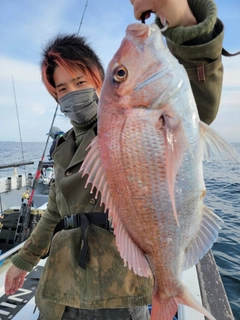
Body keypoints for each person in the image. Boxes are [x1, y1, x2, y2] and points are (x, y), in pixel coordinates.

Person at [4, 0, 227, 319]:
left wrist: (182, 19)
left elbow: (198, 105)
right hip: (57, 295)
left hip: (116, 295)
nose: (71, 93)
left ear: (99, 79)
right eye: (62, 88)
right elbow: (54, 212)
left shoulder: (118, 127)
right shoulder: (62, 147)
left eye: (80, 82)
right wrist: (23, 262)